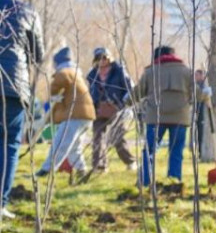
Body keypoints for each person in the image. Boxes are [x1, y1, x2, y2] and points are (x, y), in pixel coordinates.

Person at [0, 0, 43, 219]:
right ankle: (1, 202)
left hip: (13, 86)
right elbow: (37, 54)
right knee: (9, 144)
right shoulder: (25, 10)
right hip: (13, 88)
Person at [135, 45, 193, 187]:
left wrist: (124, 102)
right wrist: (206, 95)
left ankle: (145, 181)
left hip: (155, 118)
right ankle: (174, 181)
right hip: (180, 118)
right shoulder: (185, 71)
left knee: (149, 150)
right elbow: (195, 92)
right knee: (176, 151)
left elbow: (137, 92)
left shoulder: (150, 71)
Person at [35, 48, 94, 177]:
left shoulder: (64, 72)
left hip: (75, 115)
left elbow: (54, 90)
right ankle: (81, 169)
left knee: (60, 143)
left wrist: (51, 96)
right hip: (86, 116)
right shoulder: (75, 74)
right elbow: (59, 101)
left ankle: (46, 170)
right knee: (74, 146)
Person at [85, 47, 137, 175]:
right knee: (97, 138)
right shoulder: (92, 74)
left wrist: (124, 104)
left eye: (104, 57)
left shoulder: (119, 71)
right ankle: (99, 166)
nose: (102, 61)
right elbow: (90, 92)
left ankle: (130, 161)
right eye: (98, 58)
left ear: (109, 57)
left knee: (117, 137)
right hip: (99, 109)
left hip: (116, 108)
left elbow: (130, 89)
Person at [192, 69, 214, 158]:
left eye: (197, 75)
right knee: (196, 133)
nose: (195, 77)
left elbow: (205, 98)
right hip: (195, 111)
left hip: (202, 112)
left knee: (201, 133)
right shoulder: (195, 85)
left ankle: (201, 152)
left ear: (202, 76)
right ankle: (196, 150)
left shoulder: (204, 85)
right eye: (195, 75)